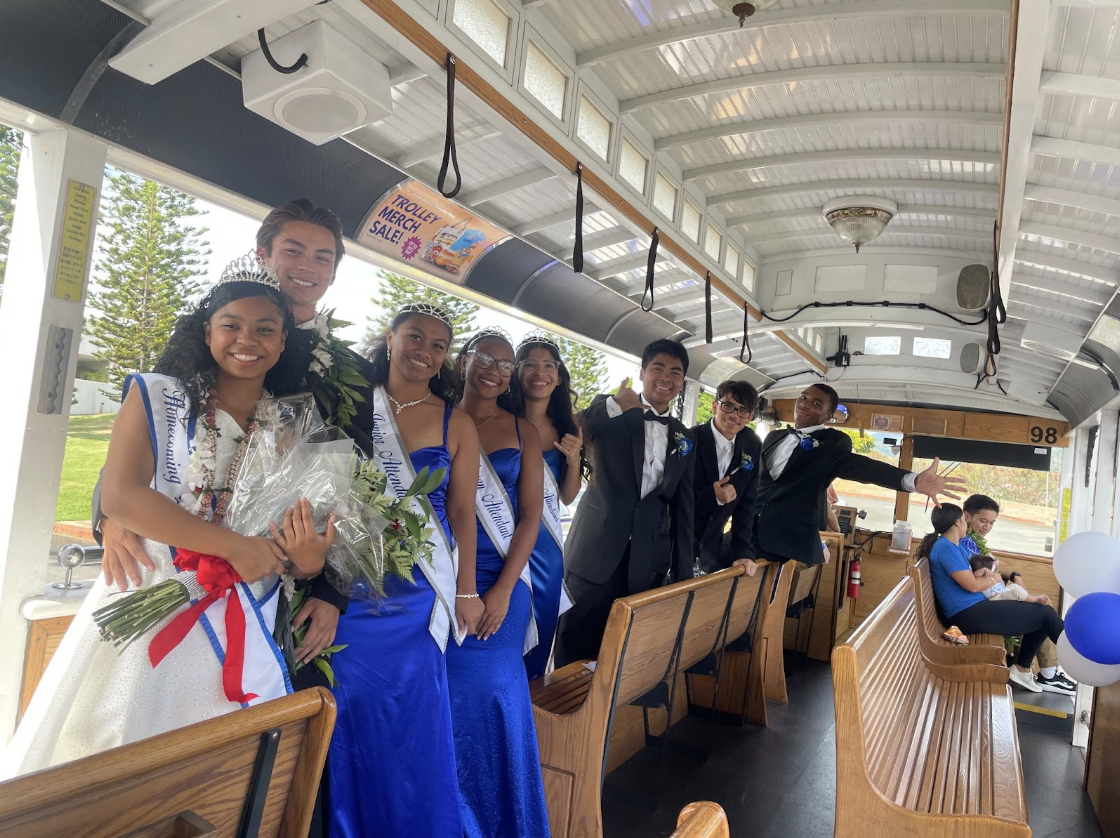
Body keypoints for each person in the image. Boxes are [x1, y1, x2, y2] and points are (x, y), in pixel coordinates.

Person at [4, 258, 331, 776]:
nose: (247, 339)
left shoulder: (288, 424)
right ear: (207, 331)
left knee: (216, 777)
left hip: (245, 609)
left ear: (284, 341)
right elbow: (122, 496)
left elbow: (289, 538)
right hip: (153, 585)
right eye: (231, 325)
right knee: (120, 754)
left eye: (265, 329)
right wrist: (230, 547)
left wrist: (307, 564)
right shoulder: (158, 396)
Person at [95, 199, 370, 684]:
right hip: (173, 558)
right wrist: (112, 513)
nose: (307, 266)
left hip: (282, 582)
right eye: (293, 249)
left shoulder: (349, 373)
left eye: (323, 257)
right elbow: (157, 432)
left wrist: (330, 590)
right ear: (263, 254)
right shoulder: (205, 340)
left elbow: (348, 487)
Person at [326, 303, 481, 838]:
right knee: (348, 707)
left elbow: (462, 512)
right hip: (348, 583)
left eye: (438, 346)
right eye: (415, 338)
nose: (424, 352)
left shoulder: (454, 421)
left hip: (419, 590)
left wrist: (466, 591)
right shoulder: (350, 404)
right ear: (389, 339)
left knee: (412, 715)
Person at [447, 328, 550, 838]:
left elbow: (530, 518)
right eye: (485, 358)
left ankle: (495, 822)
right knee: (442, 695)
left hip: (502, 579)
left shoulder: (522, 431)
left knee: (489, 691)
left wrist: (504, 590)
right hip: (443, 575)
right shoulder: (439, 416)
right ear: (464, 360)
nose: (494, 370)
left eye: (505, 365)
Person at [555, 339, 696, 667]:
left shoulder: (684, 437)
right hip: (593, 555)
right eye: (658, 367)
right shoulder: (611, 410)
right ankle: (560, 717)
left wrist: (684, 576)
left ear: (682, 382)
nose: (666, 377)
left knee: (622, 655)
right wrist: (617, 404)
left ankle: (609, 719)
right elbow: (576, 426)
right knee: (572, 646)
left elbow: (683, 511)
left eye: (675, 372)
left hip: (646, 565)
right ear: (643, 372)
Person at [741, 383, 964, 570]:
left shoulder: (831, 444)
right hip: (747, 531)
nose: (805, 404)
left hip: (787, 542)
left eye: (816, 403)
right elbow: (755, 481)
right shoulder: (773, 438)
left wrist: (913, 481)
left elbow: (865, 468)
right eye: (804, 397)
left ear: (828, 416)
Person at [499, 331, 583, 679]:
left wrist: (575, 460)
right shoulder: (499, 417)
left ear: (559, 376)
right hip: (501, 536)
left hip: (547, 549)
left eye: (548, 365)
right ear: (517, 372)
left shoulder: (568, 425)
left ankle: (530, 708)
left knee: (539, 638)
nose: (540, 372)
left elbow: (566, 497)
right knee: (502, 632)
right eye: (530, 364)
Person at [917, 503, 1064, 693]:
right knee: (1044, 615)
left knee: (1042, 613)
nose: (966, 524)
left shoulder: (952, 546)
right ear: (957, 523)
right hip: (965, 614)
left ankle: (1021, 668)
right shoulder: (946, 548)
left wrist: (985, 576)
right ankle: (1076, 652)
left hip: (972, 608)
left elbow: (973, 577)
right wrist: (991, 578)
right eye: (964, 520)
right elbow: (972, 585)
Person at [960, 494, 1076, 694]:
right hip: (976, 607)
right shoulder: (963, 544)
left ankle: (1035, 670)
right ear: (966, 516)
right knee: (1042, 612)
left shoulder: (976, 542)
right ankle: (1075, 657)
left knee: (1039, 608)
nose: (987, 527)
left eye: (992, 523)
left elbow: (993, 565)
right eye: (983, 521)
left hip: (987, 599)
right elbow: (976, 577)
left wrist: (1014, 574)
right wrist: (995, 578)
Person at [690, 380, 761, 575]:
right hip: (675, 542)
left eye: (742, 410)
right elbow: (673, 498)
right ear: (715, 406)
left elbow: (747, 503)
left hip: (712, 551)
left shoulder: (752, 444)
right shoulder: (690, 440)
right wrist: (711, 496)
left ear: (750, 417)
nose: (733, 415)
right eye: (728, 406)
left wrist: (743, 550)